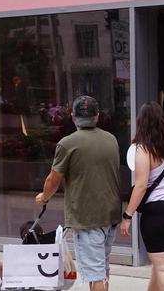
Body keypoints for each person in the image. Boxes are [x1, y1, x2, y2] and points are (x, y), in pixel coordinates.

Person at [35, 95, 121, 291]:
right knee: (103, 267)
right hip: (110, 214)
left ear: (73, 116)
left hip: (87, 217)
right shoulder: (111, 140)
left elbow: (53, 179)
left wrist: (44, 197)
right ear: (97, 116)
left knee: (95, 273)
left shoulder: (67, 143)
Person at [119, 102, 164, 291]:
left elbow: (141, 185)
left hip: (160, 214)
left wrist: (127, 216)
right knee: (161, 266)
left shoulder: (143, 150)